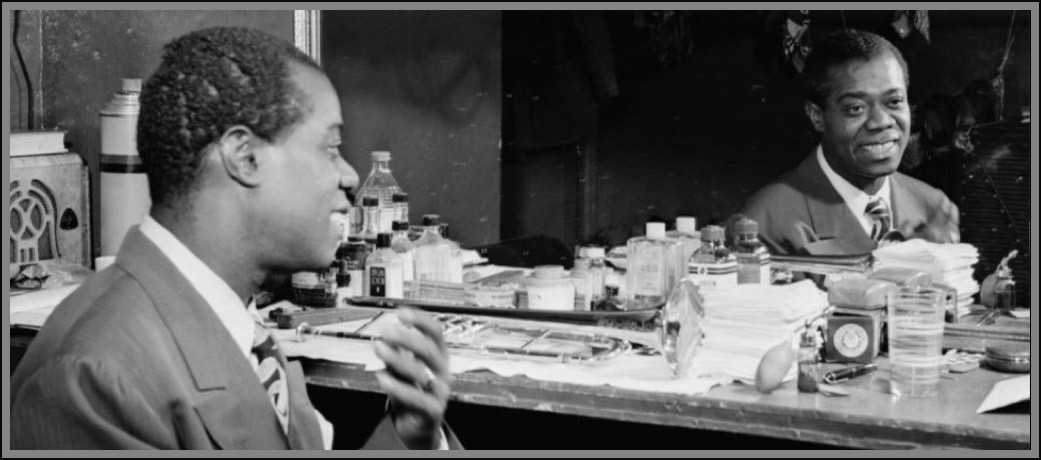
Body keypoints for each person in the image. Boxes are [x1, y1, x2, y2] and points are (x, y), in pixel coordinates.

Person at [11, 27, 457, 450]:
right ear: (244, 157)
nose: (349, 175)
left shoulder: (238, 326)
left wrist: (411, 436)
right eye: (330, 147)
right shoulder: (92, 379)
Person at [741, 29, 960, 256]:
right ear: (817, 117)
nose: (881, 122)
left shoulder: (936, 208)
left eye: (894, 101)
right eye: (856, 108)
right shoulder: (765, 223)